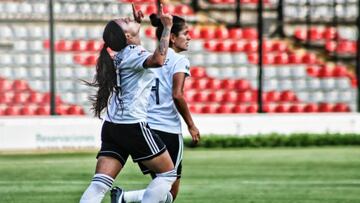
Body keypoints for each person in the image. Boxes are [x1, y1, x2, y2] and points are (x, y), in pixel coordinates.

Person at [79, 4, 176, 203]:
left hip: (113, 125)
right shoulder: (132, 54)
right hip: (132, 126)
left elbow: (136, 49)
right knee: (168, 174)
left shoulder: (120, 54)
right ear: (128, 37)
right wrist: (167, 27)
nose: (127, 18)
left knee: (99, 184)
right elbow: (158, 60)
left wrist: (137, 24)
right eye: (125, 22)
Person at [111, 12, 200, 203]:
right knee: (170, 192)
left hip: (148, 128)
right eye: (186, 33)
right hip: (168, 128)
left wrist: (138, 22)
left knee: (160, 185)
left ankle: (124, 198)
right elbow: (177, 94)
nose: (190, 37)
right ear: (173, 38)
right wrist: (191, 125)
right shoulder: (179, 60)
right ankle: (125, 198)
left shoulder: (148, 56)